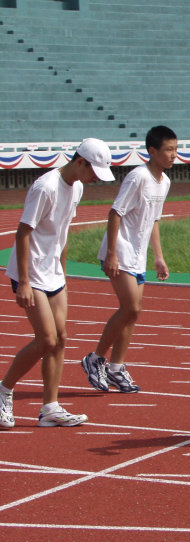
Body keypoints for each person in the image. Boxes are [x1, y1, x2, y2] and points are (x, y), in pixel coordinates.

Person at [0, 138, 115, 429]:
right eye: (93, 172)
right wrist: (23, 282)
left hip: (52, 273)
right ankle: (4, 389)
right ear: (80, 162)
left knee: (61, 339)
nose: (94, 179)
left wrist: (62, 274)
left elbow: (63, 231)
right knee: (47, 340)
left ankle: (49, 407)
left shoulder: (76, 187)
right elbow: (23, 233)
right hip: (30, 273)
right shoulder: (45, 187)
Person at [80, 125, 176, 394]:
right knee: (131, 308)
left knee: (132, 314)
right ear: (153, 151)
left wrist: (158, 257)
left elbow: (154, 220)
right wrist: (110, 253)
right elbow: (115, 213)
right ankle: (95, 359)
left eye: (176, 149)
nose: (173, 155)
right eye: (168, 150)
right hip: (120, 252)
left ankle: (116, 367)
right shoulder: (138, 177)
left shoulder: (164, 182)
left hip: (138, 256)